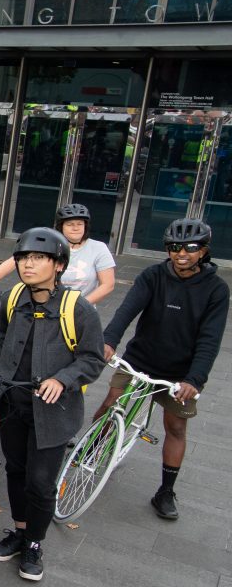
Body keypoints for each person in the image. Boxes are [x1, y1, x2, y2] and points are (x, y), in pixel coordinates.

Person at [0, 228, 105, 582]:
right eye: (23, 258)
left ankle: (35, 543)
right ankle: (20, 530)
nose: (28, 265)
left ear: (58, 265)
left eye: (38, 258)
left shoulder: (79, 309)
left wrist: (62, 379)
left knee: (40, 483)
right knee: (16, 471)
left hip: (53, 413)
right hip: (13, 403)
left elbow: (92, 360)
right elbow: (1, 338)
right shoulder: (11, 299)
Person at [98, 218, 228, 521]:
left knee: (176, 427)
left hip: (180, 374)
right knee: (109, 404)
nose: (181, 253)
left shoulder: (216, 290)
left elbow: (210, 339)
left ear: (204, 250)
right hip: (139, 359)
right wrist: (109, 340)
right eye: (174, 247)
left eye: (191, 247)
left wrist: (194, 379)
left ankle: (165, 491)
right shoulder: (152, 276)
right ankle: (92, 447)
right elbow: (126, 310)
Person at [0, 204, 116, 304]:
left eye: (79, 224)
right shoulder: (49, 242)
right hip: (44, 305)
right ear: (61, 227)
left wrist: (80, 305)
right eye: (70, 224)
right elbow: (13, 261)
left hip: (78, 310)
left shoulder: (98, 248)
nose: (75, 228)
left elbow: (107, 285)